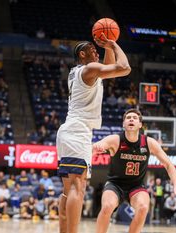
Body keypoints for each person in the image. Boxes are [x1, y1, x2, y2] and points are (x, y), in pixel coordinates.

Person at [57, 34, 131, 233]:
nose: (96, 50)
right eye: (92, 48)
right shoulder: (89, 69)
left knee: (69, 190)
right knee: (77, 188)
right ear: (82, 54)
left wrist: (107, 47)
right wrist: (114, 44)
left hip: (72, 130)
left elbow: (109, 67)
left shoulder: (83, 71)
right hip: (76, 131)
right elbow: (124, 68)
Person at [93, 109, 176, 233]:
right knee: (107, 206)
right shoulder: (115, 139)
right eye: (128, 117)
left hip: (136, 186)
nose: (131, 119)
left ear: (140, 125)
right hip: (115, 184)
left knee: (143, 207)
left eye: (135, 118)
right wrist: (98, 146)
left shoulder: (149, 142)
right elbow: (96, 146)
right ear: (124, 124)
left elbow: (169, 165)